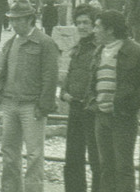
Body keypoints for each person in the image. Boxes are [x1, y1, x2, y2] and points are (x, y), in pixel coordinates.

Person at [0, 2, 60, 192]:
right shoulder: (11, 42)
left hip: (32, 106)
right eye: (12, 20)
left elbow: (50, 77)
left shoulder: (45, 42)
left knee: (34, 154)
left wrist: (44, 105)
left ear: (30, 19)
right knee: (9, 152)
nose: (13, 24)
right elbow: (4, 71)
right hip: (10, 103)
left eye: (18, 20)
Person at [89, 10, 140, 192]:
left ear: (110, 29)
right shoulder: (99, 51)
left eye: (97, 26)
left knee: (123, 167)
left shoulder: (137, 51)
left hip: (122, 118)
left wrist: (129, 108)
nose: (94, 30)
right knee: (105, 166)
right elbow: (93, 82)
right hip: (100, 117)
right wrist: (94, 102)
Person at [61, 4, 103, 192]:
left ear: (95, 24)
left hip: (92, 110)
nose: (82, 26)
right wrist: (64, 93)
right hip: (75, 108)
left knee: (96, 159)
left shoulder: (101, 48)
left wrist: (90, 98)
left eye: (86, 22)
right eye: (78, 22)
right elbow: (69, 75)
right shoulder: (78, 48)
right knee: (72, 158)